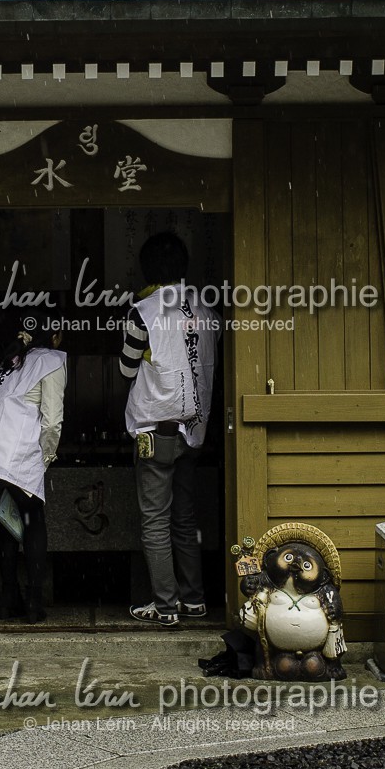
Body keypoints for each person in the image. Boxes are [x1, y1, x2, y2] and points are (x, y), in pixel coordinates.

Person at [121, 231, 219, 627]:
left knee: (155, 520)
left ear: (146, 269)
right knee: (185, 517)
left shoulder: (142, 311)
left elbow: (127, 369)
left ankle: (164, 606)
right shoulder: (207, 310)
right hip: (194, 429)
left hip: (156, 428)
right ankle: (194, 599)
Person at [0, 328, 67, 623]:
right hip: (17, 456)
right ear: (55, 336)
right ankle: (33, 601)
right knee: (33, 522)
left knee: (8, 521)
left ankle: (8, 597)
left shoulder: (3, 360)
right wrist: (45, 459)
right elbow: (53, 420)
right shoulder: (51, 360)